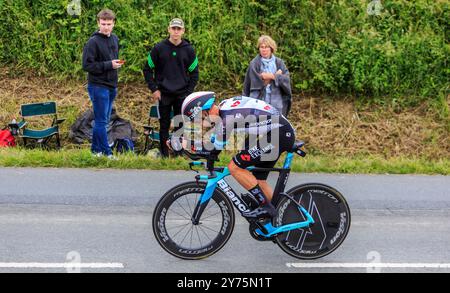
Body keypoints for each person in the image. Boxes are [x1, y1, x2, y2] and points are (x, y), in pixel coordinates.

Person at [175, 92, 296, 220]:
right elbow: (212, 143)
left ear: (204, 113)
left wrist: (187, 144)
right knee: (257, 180)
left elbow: (214, 149)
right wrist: (187, 145)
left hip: (280, 134)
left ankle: (266, 207)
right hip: (276, 132)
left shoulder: (228, 118)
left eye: (198, 120)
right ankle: (282, 217)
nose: (200, 124)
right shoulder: (224, 110)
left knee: (235, 167)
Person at [143, 18, 199, 157]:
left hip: (181, 94)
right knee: (164, 125)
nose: (175, 31)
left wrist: (188, 93)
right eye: (173, 28)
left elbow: (195, 73)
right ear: (168, 29)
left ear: (183, 31)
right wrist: (154, 89)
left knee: (180, 125)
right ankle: (164, 155)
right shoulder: (158, 48)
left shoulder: (189, 50)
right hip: (163, 93)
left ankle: (178, 153)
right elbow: (147, 69)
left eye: (178, 29)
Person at [82, 9, 122, 158]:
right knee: (101, 121)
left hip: (112, 86)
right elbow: (86, 65)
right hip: (98, 86)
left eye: (109, 24)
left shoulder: (115, 39)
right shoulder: (93, 42)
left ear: (114, 24)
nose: (106, 27)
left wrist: (114, 65)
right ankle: (107, 152)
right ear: (98, 23)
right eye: (103, 24)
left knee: (104, 120)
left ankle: (95, 151)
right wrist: (109, 65)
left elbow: (111, 61)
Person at [243, 35, 292, 117]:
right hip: (258, 101)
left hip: (276, 100)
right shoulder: (254, 63)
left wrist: (272, 76)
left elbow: (286, 79)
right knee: (259, 126)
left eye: (266, 47)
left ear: (271, 48)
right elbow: (251, 83)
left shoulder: (279, 63)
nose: (264, 49)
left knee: (275, 127)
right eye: (261, 47)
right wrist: (263, 78)